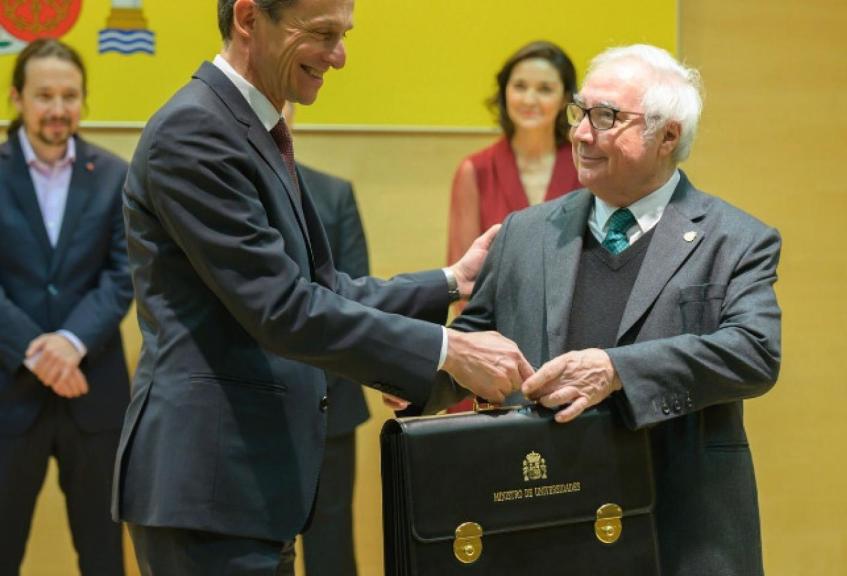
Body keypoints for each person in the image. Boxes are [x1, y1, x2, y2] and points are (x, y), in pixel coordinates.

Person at [113, 0, 532, 573]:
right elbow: (284, 310)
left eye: (344, 34)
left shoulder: (250, 125)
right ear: (247, 18)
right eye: (323, 34)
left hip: (247, 491)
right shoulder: (196, 130)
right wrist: (451, 350)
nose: (339, 56)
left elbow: (323, 288)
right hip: (210, 491)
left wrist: (451, 281)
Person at [450, 45, 782, 576]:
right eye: (581, 112)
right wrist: (417, 367)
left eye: (606, 118)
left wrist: (617, 371)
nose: (581, 133)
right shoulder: (525, 232)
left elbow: (755, 353)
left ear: (667, 135)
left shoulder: (736, 240)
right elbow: (472, 344)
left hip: (681, 535)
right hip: (545, 529)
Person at [0, 39, 132, 576]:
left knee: (104, 555)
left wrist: (71, 343)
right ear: (16, 98)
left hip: (94, 393)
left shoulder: (115, 175)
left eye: (70, 95)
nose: (58, 109)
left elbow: (126, 273)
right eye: (44, 95)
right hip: (9, 395)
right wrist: (38, 353)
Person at [284, 102, 368, 576]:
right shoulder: (224, 191)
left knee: (331, 551)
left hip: (330, 400)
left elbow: (355, 302)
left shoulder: (333, 195)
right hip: (248, 406)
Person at [446, 40, 581, 266]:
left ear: (565, 99)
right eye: (519, 86)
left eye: (545, 89)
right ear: (504, 91)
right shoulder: (475, 171)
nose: (529, 99)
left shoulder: (584, 166)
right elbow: (461, 275)